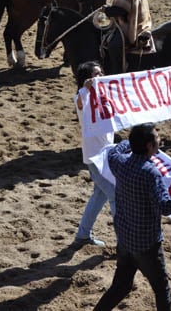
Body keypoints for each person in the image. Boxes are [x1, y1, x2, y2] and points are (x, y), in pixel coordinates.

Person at [93, 123, 171, 311]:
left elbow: (114, 151)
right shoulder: (150, 173)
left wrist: (132, 141)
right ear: (150, 146)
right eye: (156, 138)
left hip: (125, 239)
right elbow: (166, 207)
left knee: (121, 286)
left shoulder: (118, 163)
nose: (160, 140)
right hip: (146, 245)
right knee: (161, 290)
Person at [73, 61, 116, 247]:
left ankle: (83, 233)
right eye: (96, 74)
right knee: (115, 194)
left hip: (106, 153)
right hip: (94, 156)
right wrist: (85, 88)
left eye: (101, 73)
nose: (100, 77)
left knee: (100, 194)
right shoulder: (82, 97)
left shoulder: (105, 96)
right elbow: (80, 102)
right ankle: (124, 243)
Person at [102, 0, 152, 71]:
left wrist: (107, 10)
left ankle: (118, 71)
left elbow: (122, 10)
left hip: (133, 25)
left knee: (113, 45)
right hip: (143, 19)